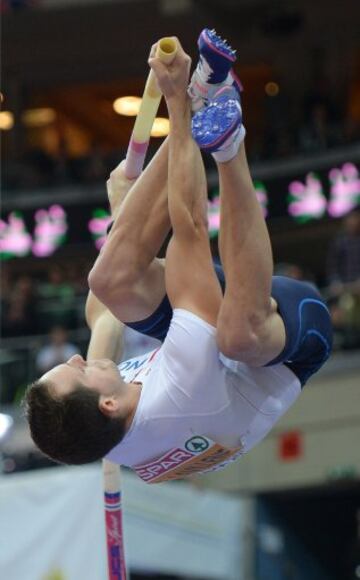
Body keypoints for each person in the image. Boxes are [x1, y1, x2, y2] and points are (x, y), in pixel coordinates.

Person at [24, 31, 332, 481]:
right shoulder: (176, 397)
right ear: (108, 404)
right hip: (283, 340)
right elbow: (188, 225)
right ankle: (230, 145)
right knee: (237, 337)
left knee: (108, 285)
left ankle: (205, 91)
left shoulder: (100, 418)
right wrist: (174, 101)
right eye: (77, 371)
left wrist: (123, 211)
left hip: (206, 353)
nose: (75, 359)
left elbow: (105, 315)